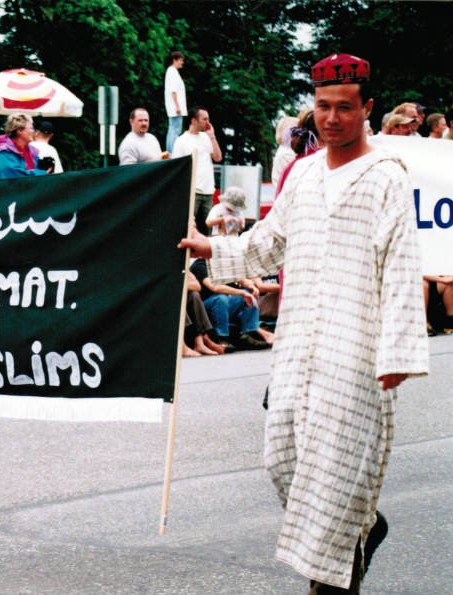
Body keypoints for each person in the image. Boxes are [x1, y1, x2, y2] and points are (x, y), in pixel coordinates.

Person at [178, 52, 429, 593]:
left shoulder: (386, 177)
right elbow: (268, 245)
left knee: (338, 473)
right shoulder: (303, 174)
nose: (332, 118)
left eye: (344, 107)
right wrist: (210, 247)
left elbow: (402, 265)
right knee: (283, 459)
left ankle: (334, 575)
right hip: (296, 348)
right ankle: (362, 529)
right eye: (322, 107)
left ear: (367, 109)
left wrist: (398, 351)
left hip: (356, 349)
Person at [171, 107, 222, 236]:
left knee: (209, 230)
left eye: (208, 119)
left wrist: (212, 136)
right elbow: (176, 168)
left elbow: (218, 157)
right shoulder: (181, 140)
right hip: (192, 192)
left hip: (208, 192)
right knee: (188, 229)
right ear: (194, 120)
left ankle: (206, 256)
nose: (208, 122)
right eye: (204, 119)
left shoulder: (206, 138)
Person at [0, 113, 49, 179]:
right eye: (31, 128)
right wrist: (43, 173)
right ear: (19, 131)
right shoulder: (4, 152)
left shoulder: (32, 152)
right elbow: (16, 177)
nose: (34, 131)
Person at [164, 51, 187, 154]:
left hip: (175, 107)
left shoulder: (172, 71)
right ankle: (172, 152)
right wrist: (177, 106)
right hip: (176, 107)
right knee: (175, 130)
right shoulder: (172, 72)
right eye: (181, 60)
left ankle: (170, 152)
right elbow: (173, 91)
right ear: (175, 60)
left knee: (172, 129)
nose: (182, 63)